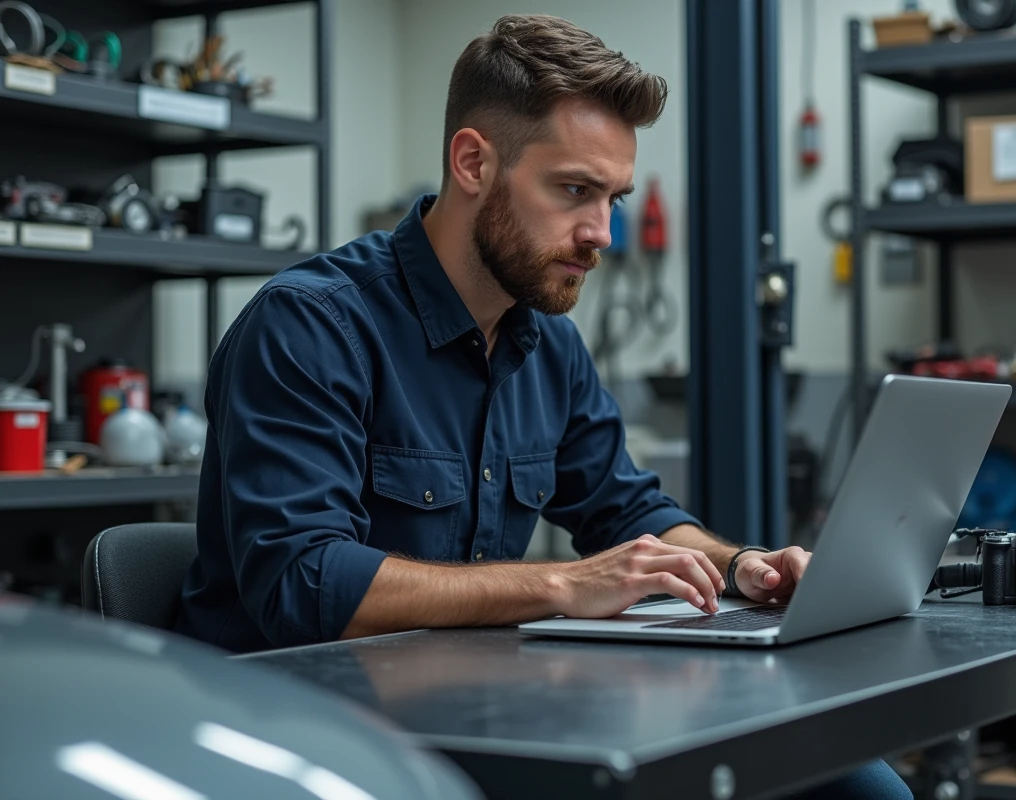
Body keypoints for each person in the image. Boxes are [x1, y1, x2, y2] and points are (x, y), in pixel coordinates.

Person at [176, 15, 911, 799]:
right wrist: (563, 586)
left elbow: (624, 508)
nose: (600, 232)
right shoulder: (309, 326)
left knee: (852, 783)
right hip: (302, 735)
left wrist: (741, 569)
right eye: (573, 191)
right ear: (473, 162)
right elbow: (303, 581)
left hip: (481, 709)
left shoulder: (545, 343)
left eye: (613, 198)